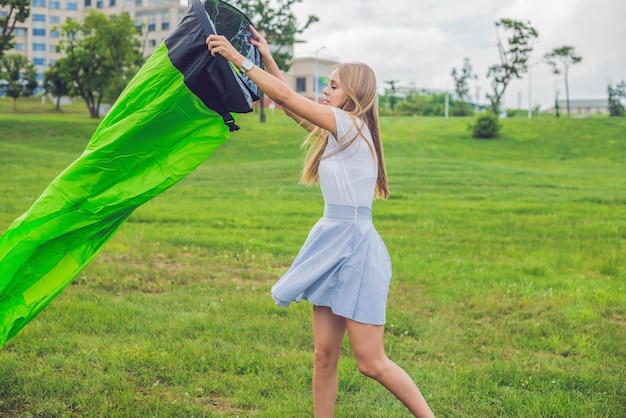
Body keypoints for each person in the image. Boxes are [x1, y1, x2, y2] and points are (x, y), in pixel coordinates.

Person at [207, 27, 435, 418]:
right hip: (334, 242)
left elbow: (286, 96)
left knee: (370, 362)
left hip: (356, 248)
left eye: (332, 86)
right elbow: (291, 105)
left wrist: (237, 57)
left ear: (354, 94)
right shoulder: (337, 131)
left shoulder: (349, 126)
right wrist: (269, 58)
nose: (325, 91)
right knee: (324, 354)